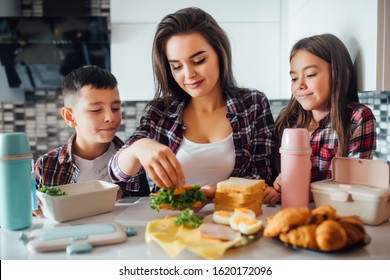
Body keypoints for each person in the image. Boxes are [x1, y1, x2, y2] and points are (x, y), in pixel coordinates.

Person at [108, 7, 276, 198]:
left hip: (232, 218)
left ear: (220, 54)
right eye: (177, 66)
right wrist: (138, 148)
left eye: (198, 60)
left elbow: (263, 171)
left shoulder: (253, 104)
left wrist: (219, 194)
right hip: (171, 221)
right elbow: (116, 175)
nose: (188, 75)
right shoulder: (160, 113)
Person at [263, 33, 377, 204]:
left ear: (338, 73)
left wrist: (304, 190)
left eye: (310, 75)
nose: (299, 85)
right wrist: (276, 188)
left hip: (336, 216)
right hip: (289, 211)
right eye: (294, 78)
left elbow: (354, 185)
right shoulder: (288, 121)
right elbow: (272, 174)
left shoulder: (357, 118)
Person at [34, 65, 150, 216]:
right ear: (70, 117)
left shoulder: (132, 159)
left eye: (115, 108)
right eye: (96, 110)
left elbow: (144, 209)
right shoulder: (46, 166)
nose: (110, 117)